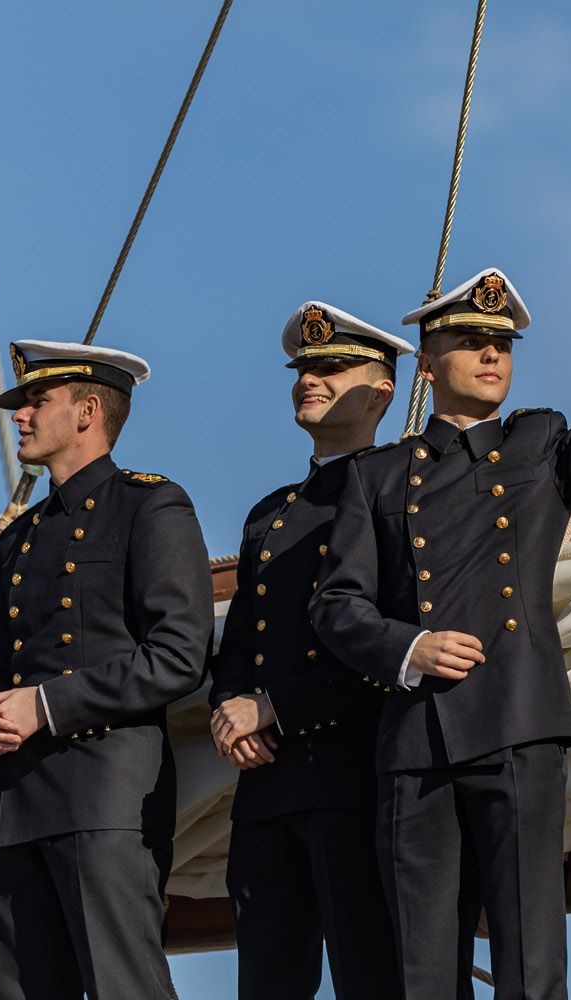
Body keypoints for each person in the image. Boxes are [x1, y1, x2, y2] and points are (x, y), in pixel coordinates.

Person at [311, 196, 571, 998]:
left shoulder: (538, 444)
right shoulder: (375, 478)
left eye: (502, 343)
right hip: (416, 745)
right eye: (470, 341)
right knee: (419, 974)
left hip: (517, 723)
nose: (491, 354)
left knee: (529, 959)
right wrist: (410, 648)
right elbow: (337, 606)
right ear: (427, 364)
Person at [0, 340, 211, 999]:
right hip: (18, 804)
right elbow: (9, 668)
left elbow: (179, 655)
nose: (18, 417)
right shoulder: (20, 538)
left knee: (119, 988)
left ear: (87, 411)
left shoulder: (150, 507)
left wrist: (44, 706)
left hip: (106, 795)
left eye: (35, 403)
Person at [207, 303, 414, 999]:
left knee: (375, 979)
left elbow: (394, 650)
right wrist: (228, 714)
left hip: (357, 785)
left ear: (381, 391)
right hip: (267, 794)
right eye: (303, 369)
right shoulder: (272, 514)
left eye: (330, 368)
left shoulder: (405, 497)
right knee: (266, 983)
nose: (308, 381)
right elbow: (239, 646)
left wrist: (271, 709)